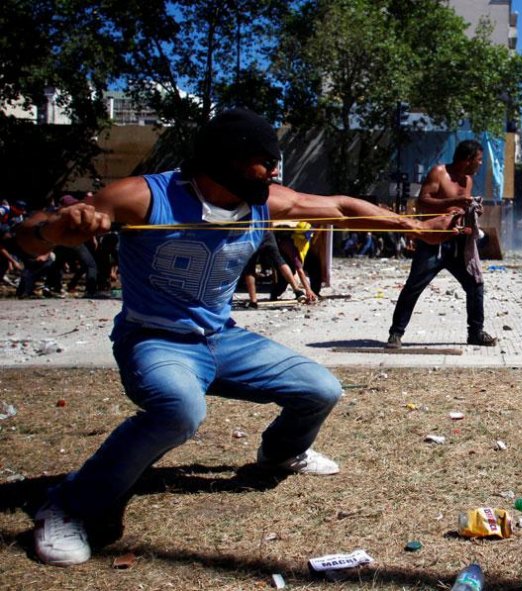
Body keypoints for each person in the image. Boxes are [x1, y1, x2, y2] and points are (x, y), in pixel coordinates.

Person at [15, 107, 459, 567]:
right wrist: (56, 230)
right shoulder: (141, 196)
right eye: (260, 167)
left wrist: (415, 227)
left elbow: (343, 207)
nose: (268, 178)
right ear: (220, 162)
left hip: (222, 338)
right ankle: (68, 504)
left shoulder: (267, 199)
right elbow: (25, 237)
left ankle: (281, 454)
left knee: (321, 389)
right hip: (156, 340)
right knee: (180, 411)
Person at [385, 139, 497, 349]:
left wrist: (471, 212)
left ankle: (475, 332)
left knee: (475, 285)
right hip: (433, 242)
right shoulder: (439, 173)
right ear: (467, 159)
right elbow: (422, 201)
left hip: (457, 243)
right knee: (414, 286)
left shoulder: (468, 180)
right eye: (479, 160)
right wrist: (451, 203)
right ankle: (396, 333)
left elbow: (462, 209)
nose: (480, 164)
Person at [240, 230, 306, 308]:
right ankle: (297, 291)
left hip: (252, 234)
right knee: (279, 261)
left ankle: (253, 301)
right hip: (266, 232)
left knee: (250, 267)